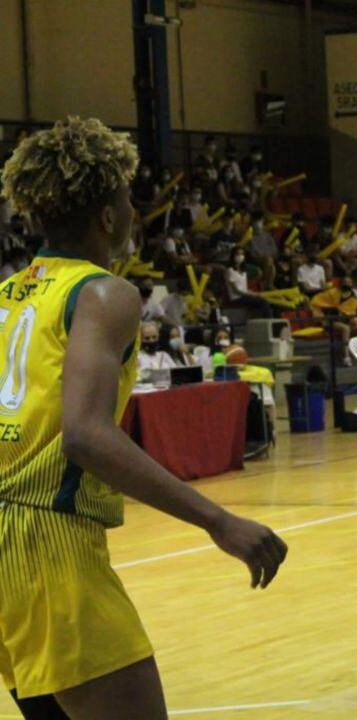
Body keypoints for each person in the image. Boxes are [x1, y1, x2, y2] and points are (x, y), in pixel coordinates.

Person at [0, 116, 287, 719]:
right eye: (126, 198)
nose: (133, 210)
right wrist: (217, 520)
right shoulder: (104, 293)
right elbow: (85, 435)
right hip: (48, 540)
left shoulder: (7, 296)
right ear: (107, 217)